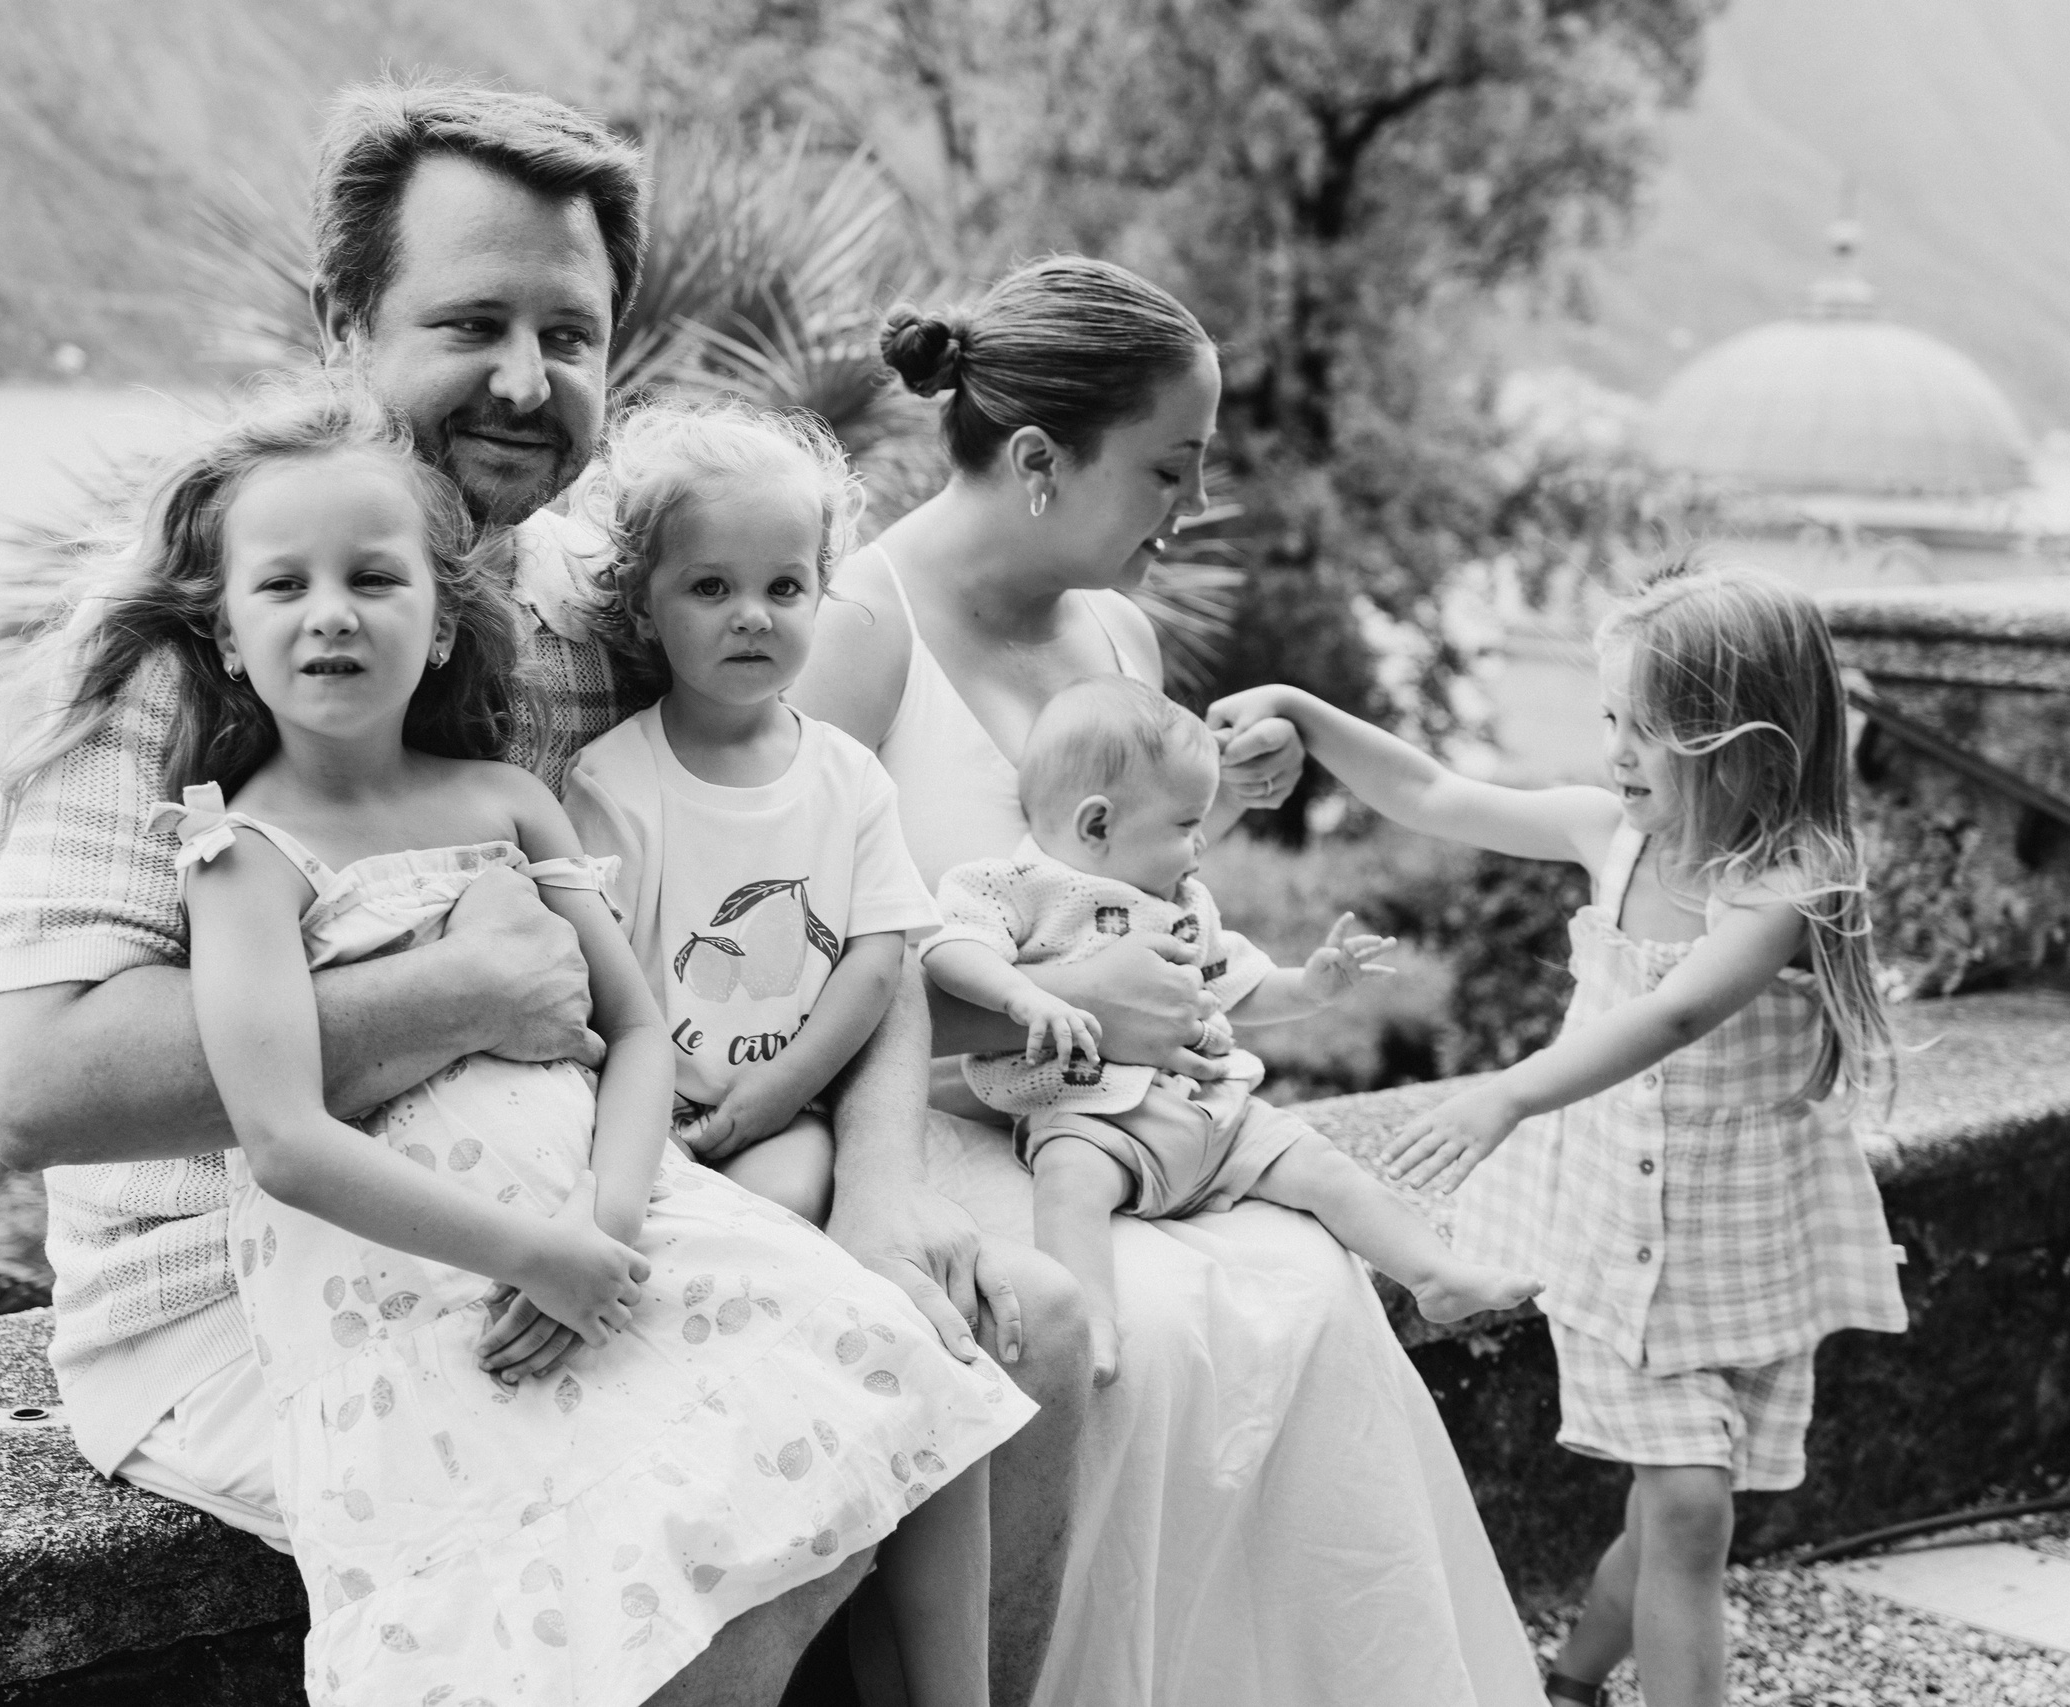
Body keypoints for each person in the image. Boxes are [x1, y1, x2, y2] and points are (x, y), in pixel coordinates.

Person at [0, 80, 1089, 1707]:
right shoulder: (199, 650)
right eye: (470, 320)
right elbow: (39, 1085)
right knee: (736, 1516)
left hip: (580, 1187)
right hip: (239, 1286)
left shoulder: (604, 610)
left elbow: (851, 893)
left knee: (996, 1339)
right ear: (343, 318)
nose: (523, 377)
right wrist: (452, 995)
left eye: (568, 333)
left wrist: (881, 1189)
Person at [791, 255, 1543, 1707]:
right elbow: (798, 968)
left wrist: (1224, 810)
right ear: (1032, 460)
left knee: (1307, 1285)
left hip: (1129, 1113)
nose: (1183, 514)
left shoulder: (1116, 630)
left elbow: (1127, 869)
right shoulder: (860, 633)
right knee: (1165, 1332)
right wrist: (1059, 996)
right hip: (935, 1118)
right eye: (1165, 473)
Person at [1211, 562, 1910, 1707]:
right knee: (1689, 1505)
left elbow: (1675, 1010)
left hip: (1741, 1247)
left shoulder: (1795, 882)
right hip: (1612, 1231)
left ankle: (1571, 1679)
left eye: (1650, 730)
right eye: (1610, 720)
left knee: (1682, 1507)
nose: (1617, 752)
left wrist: (1509, 1091)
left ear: (1746, 741)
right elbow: (1436, 791)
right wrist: (1300, 704)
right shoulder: (1609, 837)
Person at [919, 676, 1542, 1387]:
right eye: (1186, 824)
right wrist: (1022, 995)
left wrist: (1312, 984)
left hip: (1215, 1114)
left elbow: (1240, 984)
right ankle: (1089, 1321)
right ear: (1097, 825)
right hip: (1094, 1118)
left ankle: (1433, 1271)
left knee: (1323, 1165)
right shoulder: (1018, 885)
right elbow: (950, 950)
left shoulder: (1185, 904)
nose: (1203, 841)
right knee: (1068, 1181)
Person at [563, 400, 939, 1230]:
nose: (753, 614)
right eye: (710, 586)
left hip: (790, 1104)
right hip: (632, 1112)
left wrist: (785, 1087)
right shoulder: (613, 781)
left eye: (784, 586)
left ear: (820, 592)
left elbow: (877, 960)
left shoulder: (851, 777)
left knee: (786, 1194)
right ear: (642, 606)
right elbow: (596, 976)